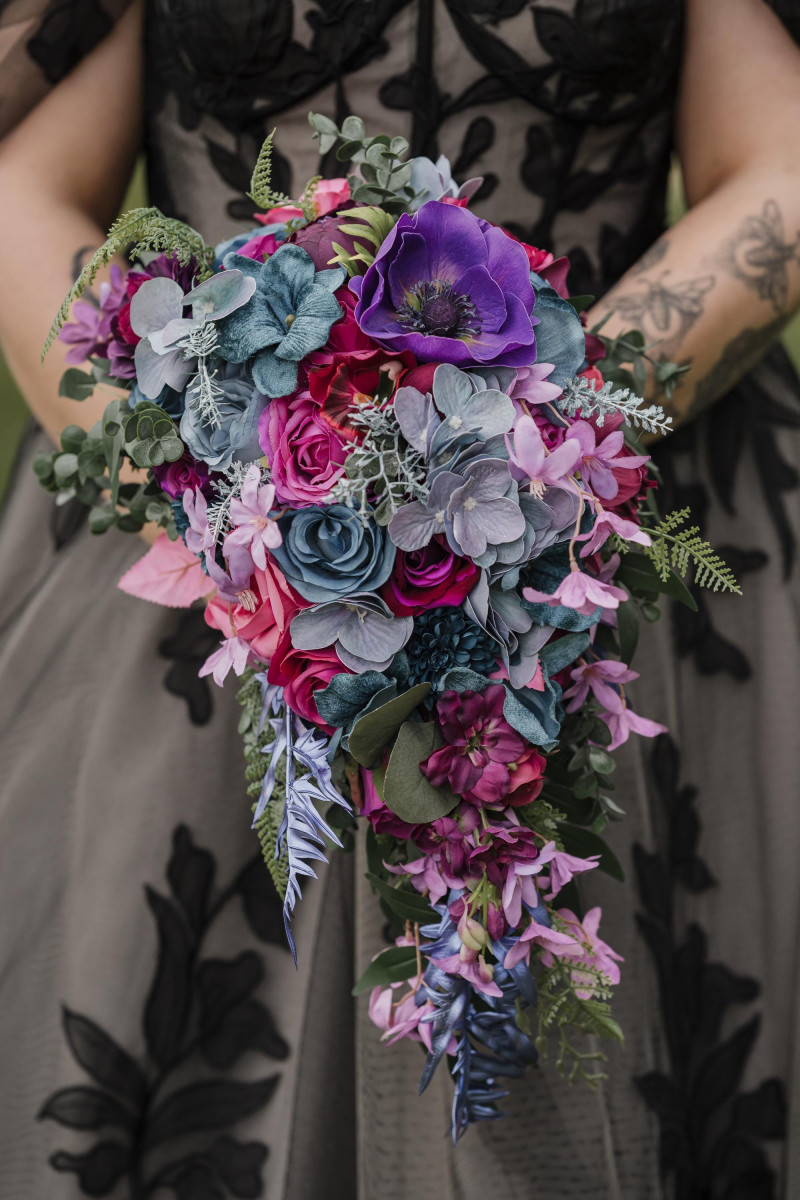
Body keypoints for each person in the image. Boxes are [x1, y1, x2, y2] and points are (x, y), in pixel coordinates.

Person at [1, 1, 799, 1196]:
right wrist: (214, 476)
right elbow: (23, 182)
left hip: (610, 528)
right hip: (215, 559)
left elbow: (777, 164)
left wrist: (536, 438)